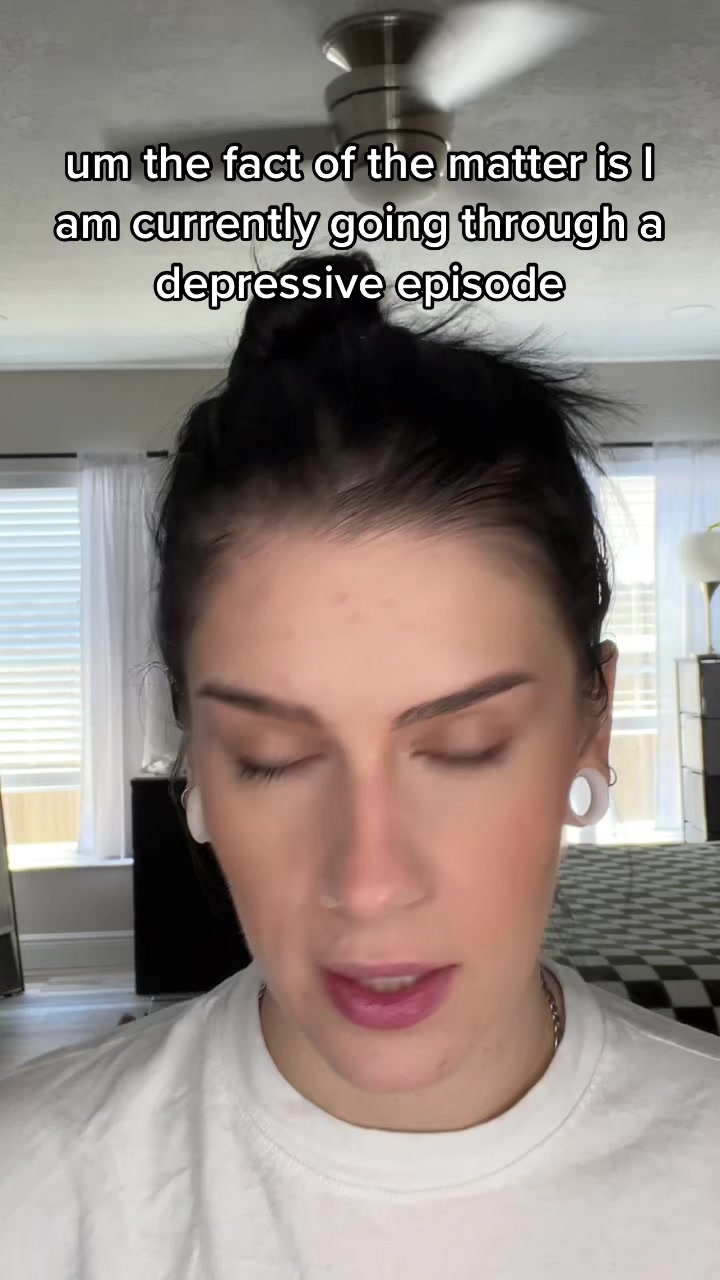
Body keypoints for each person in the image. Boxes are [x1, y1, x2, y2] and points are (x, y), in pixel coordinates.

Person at [1, 251, 718, 1280]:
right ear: (195, 758)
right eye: (274, 758)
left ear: (590, 726)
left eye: (465, 749)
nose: (370, 882)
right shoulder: (30, 1190)